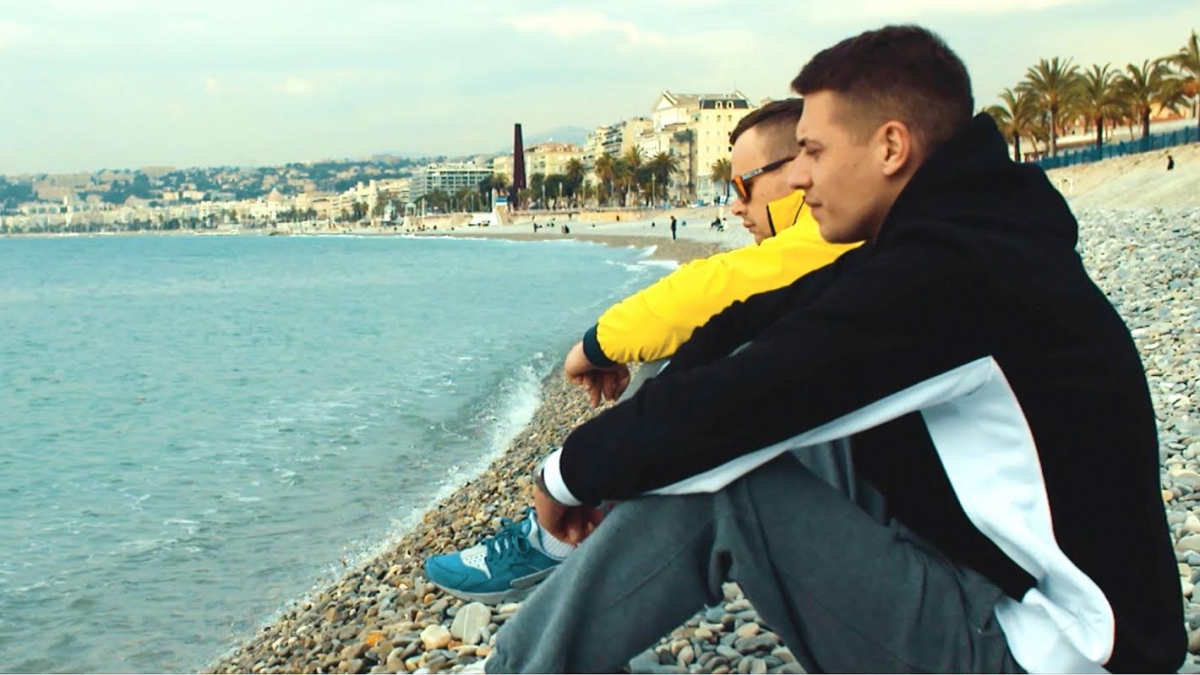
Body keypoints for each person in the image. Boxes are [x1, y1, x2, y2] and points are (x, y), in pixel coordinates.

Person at [485, 25, 1184, 673]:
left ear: (890, 147)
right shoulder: (963, 238)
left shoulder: (957, 276)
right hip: (1000, 582)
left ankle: (514, 667)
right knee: (730, 429)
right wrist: (612, 459)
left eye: (814, 151)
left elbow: (746, 399)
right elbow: (758, 322)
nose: (801, 177)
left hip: (1056, 651)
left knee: (732, 481)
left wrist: (565, 476)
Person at [424, 98, 859, 604]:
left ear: (800, 167)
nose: (735, 207)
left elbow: (719, 287)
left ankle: (561, 538)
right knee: (699, 351)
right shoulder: (852, 236)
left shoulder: (841, 234)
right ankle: (578, 529)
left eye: (742, 187)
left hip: (863, 490)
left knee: (701, 359)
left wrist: (594, 346)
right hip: (846, 459)